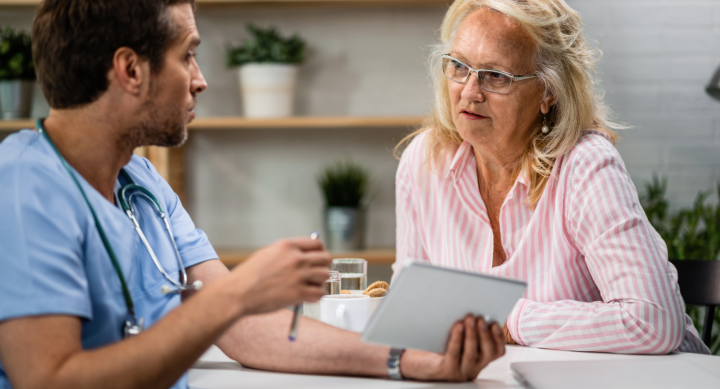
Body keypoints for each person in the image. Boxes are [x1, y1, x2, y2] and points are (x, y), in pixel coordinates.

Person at [0, 1, 505, 388]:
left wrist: (410, 360)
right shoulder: (23, 187)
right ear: (130, 70)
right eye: (188, 55)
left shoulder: (142, 185)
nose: (200, 81)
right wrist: (239, 293)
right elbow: (50, 380)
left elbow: (246, 329)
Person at [393, 0, 710, 355]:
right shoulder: (424, 161)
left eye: (495, 75)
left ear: (549, 92)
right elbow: (410, 308)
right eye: (459, 66)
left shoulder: (584, 166)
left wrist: (507, 321)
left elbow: (652, 322)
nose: (469, 91)